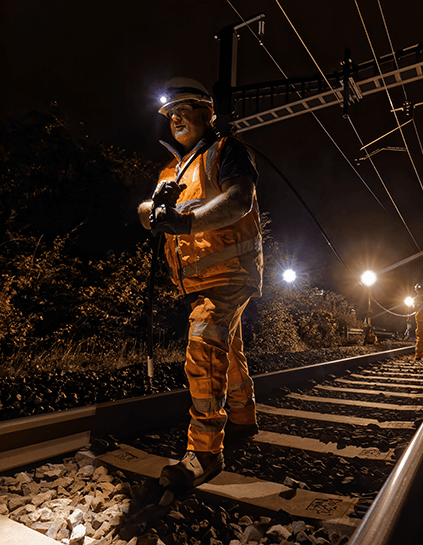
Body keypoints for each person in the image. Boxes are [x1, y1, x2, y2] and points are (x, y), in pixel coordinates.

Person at [137, 77, 263, 489]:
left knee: (204, 342)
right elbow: (148, 214)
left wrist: (185, 220)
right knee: (228, 345)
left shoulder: (228, 152)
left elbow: (239, 199)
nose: (175, 116)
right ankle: (243, 419)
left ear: (208, 112)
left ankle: (205, 452)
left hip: (231, 273)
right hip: (198, 280)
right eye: (169, 112)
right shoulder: (172, 170)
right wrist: (154, 206)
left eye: (184, 108)